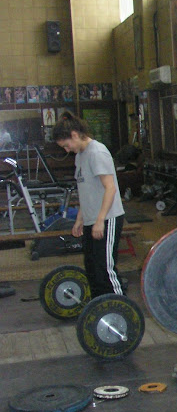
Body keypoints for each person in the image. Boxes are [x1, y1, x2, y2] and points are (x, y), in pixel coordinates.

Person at [52, 112, 125, 298]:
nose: (67, 150)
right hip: (91, 220)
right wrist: (79, 219)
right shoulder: (80, 156)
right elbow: (86, 191)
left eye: (67, 145)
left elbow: (110, 188)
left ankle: (121, 307)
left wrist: (100, 221)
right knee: (92, 267)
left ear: (75, 135)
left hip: (107, 218)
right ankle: (100, 307)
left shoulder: (97, 152)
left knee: (105, 268)